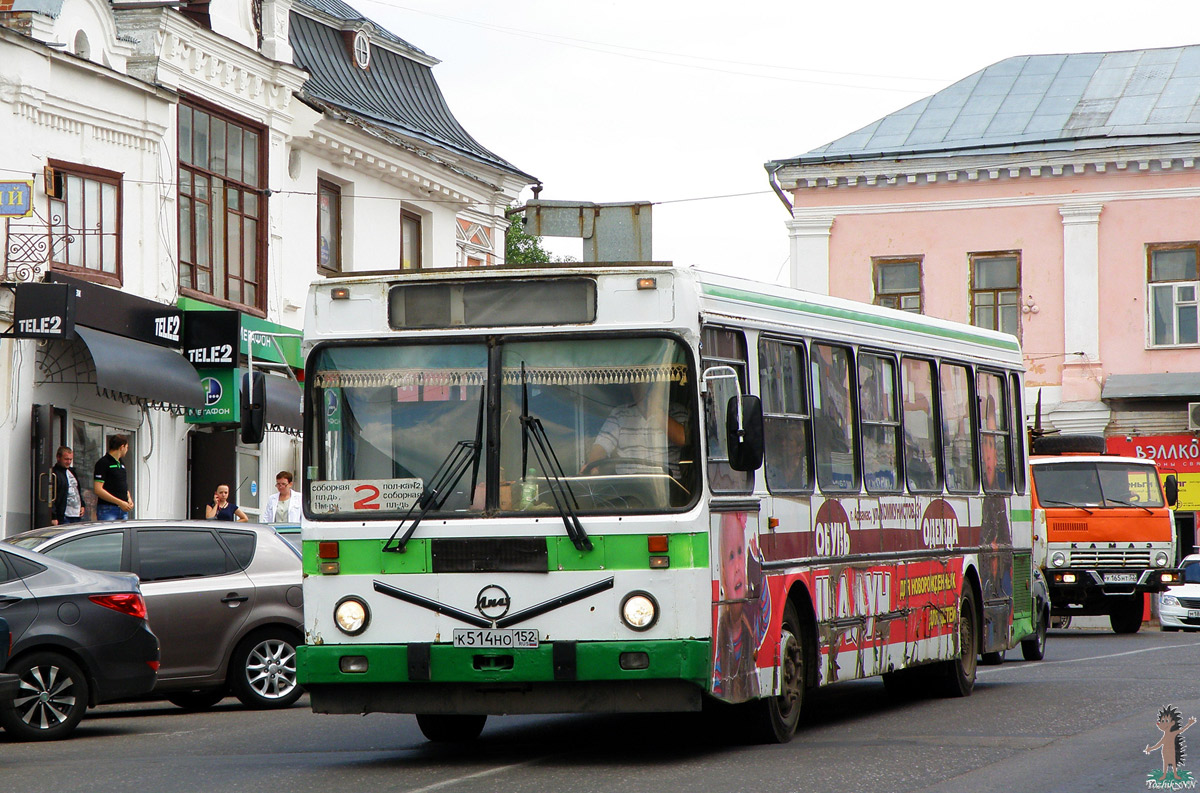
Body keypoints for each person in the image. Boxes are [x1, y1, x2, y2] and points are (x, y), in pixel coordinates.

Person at [584, 380, 688, 476]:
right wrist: (593, 464)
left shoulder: (677, 411)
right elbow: (602, 445)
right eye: (636, 386)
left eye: (647, 386)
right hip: (629, 485)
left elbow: (682, 439)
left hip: (668, 485)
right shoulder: (620, 413)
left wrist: (655, 409)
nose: (640, 390)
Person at [93, 434, 133, 522]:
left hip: (123, 509)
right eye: (126, 447)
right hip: (108, 509)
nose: (127, 450)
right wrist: (119, 502)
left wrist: (128, 498)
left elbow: (122, 484)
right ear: (122, 447)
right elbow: (98, 489)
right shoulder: (103, 463)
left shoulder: (121, 463)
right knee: (108, 534)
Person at [51, 446, 85, 525]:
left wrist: (82, 504)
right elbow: (52, 496)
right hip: (64, 515)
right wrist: (54, 516)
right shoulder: (54, 473)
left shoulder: (72, 471)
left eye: (70, 459)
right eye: (66, 459)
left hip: (76, 514)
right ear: (58, 458)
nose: (69, 462)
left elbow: (77, 489)